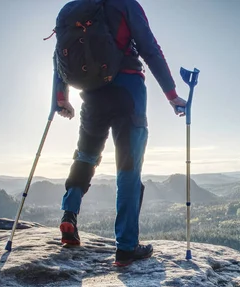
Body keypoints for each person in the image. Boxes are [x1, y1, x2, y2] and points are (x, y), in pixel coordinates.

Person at [54, 0, 186, 267]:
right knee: (128, 166)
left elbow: (59, 57)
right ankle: (126, 246)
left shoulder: (70, 10)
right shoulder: (125, 4)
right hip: (128, 89)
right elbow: (149, 47)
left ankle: (69, 214)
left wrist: (60, 97)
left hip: (91, 94)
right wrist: (171, 95)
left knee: (86, 154)